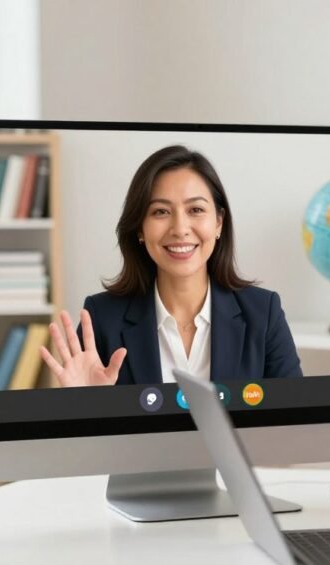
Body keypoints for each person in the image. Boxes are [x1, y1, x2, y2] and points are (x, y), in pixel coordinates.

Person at [39, 145, 303, 386]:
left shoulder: (263, 313)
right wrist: (85, 405)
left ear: (219, 222)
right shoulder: (101, 317)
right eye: (160, 212)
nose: (180, 229)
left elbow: (294, 423)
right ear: (140, 228)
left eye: (196, 210)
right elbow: (89, 437)